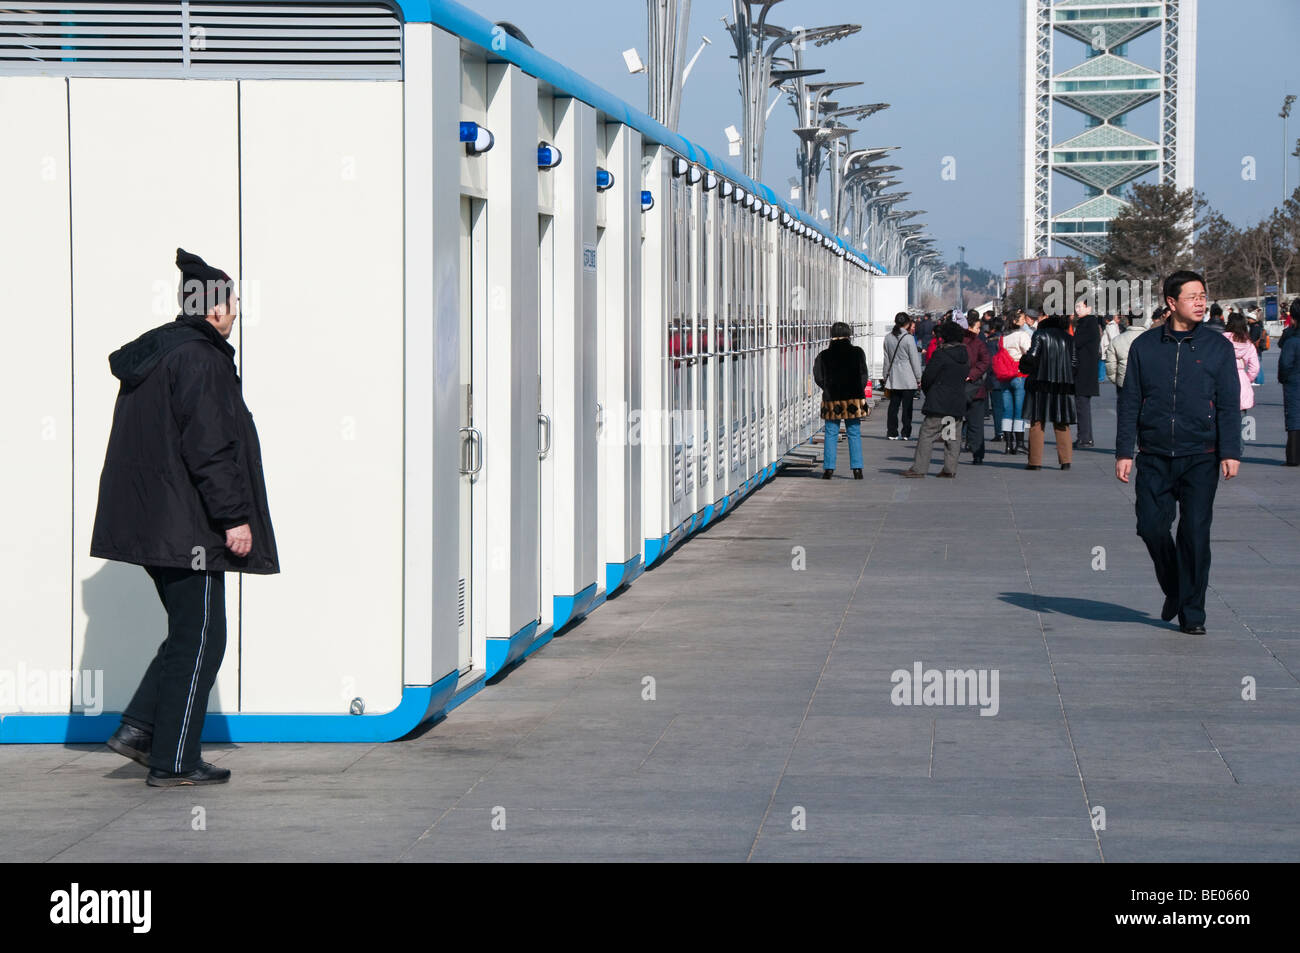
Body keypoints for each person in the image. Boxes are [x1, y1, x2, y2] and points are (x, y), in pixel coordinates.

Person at [93, 249, 279, 786]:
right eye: (235, 300)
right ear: (217, 309)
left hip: (157, 522)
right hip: (187, 526)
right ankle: (174, 760)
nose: (239, 308)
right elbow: (210, 447)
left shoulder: (161, 353)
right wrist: (234, 518)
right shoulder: (200, 358)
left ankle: (139, 729)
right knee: (202, 636)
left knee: (190, 632)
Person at [1115, 270, 1240, 635]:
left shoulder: (1219, 347)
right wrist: (1125, 451)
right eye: (1193, 296)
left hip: (1201, 454)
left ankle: (1192, 614)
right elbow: (1130, 402)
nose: (1201, 302)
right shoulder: (1146, 347)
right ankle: (1176, 587)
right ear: (1172, 303)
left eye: (1203, 295)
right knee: (1151, 527)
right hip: (1154, 454)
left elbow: (1229, 404)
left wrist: (1230, 450)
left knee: (1195, 535)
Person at [902, 321, 969, 479]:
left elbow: (928, 377)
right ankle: (949, 468)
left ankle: (919, 468)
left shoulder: (941, 354)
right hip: (956, 401)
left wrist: (930, 391)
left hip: (939, 401)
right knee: (950, 436)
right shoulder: (965, 355)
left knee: (927, 434)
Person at [1020, 312, 1077, 470]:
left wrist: (1024, 363)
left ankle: (1035, 462)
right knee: (1061, 422)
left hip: (1040, 383)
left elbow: (1032, 356)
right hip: (1062, 384)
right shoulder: (1068, 338)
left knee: (1037, 421)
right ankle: (1065, 461)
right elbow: (1074, 363)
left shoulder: (1040, 334)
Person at [813, 320, 869, 479]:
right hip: (853, 399)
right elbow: (864, 375)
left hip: (832, 399)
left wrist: (827, 387)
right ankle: (857, 469)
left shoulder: (823, 355)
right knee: (854, 432)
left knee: (831, 433)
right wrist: (857, 388)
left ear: (832, 336)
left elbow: (818, 376)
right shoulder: (858, 352)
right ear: (848, 335)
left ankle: (828, 469)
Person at [998, 309, 1034, 454]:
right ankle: (1019, 443)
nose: (1024, 320)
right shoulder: (1022, 335)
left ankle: (1008, 444)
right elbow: (1030, 353)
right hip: (1019, 375)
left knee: (1007, 410)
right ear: (1015, 321)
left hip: (1004, 376)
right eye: (1021, 318)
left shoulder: (1003, 337)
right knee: (1019, 411)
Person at [883, 312, 922, 441]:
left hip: (894, 376)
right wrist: (918, 377)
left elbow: (887, 360)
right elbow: (914, 360)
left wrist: (885, 376)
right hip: (908, 377)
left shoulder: (888, 337)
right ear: (907, 324)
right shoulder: (909, 338)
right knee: (907, 407)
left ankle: (891, 431)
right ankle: (906, 432)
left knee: (893, 406)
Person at [962, 310, 991, 464]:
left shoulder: (956, 342)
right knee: (976, 424)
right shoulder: (979, 343)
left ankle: (950, 454)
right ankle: (978, 454)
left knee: (951, 422)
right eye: (977, 328)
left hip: (957, 388)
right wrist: (972, 374)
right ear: (970, 327)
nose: (979, 331)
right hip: (976, 388)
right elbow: (986, 362)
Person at [1071, 298, 1100, 448]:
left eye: (1080, 307)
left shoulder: (1089, 323)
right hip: (1085, 369)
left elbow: (1076, 342)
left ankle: (1085, 437)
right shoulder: (1086, 323)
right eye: (1076, 307)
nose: (1077, 310)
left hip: (1085, 370)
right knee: (1081, 404)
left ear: (1089, 308)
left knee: (1082, 404)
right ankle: (1084, 436)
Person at [1224, 312, 1260, 431]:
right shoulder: (1248, 343)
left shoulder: (1221, 340)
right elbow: (1254, 367)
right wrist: (1247, 378)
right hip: (1241, 380)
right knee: (1241, 426)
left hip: (1224, 379)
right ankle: (1239, 448)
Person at [1279, 299, 1300, 466]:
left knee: (1294, 418)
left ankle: (1293, 457)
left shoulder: (1292, 341)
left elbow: (1285, 364)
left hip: (1294, 384)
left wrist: (1283, 378)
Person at [1105, 312, 1147, 389]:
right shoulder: (1152, 339)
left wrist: (1117, 380)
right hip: (1147, 383)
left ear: (1128, 320)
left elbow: (1111, 365)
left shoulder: (1117, 340)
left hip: (1124, 382)